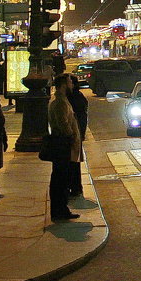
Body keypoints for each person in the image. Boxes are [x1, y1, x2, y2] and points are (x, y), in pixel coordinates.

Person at [47, 76, 82, 221]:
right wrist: (72, 137)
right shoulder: (60, 103)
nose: (71, 85)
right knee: (61, 179)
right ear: (63, 85)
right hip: (63, 144)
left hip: (63, 143)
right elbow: (63, 123)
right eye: (69, 82)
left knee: (60, 179)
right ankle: (60, 210)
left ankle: (61, 209)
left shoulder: (61, 101)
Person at [63, 73, 88, 197]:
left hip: (73, 135)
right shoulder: (76, 96)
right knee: (73, 162)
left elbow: (80, 117)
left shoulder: (72, 98)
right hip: (75, 133)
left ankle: (73, 186)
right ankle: (75, 186)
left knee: (71, 162)